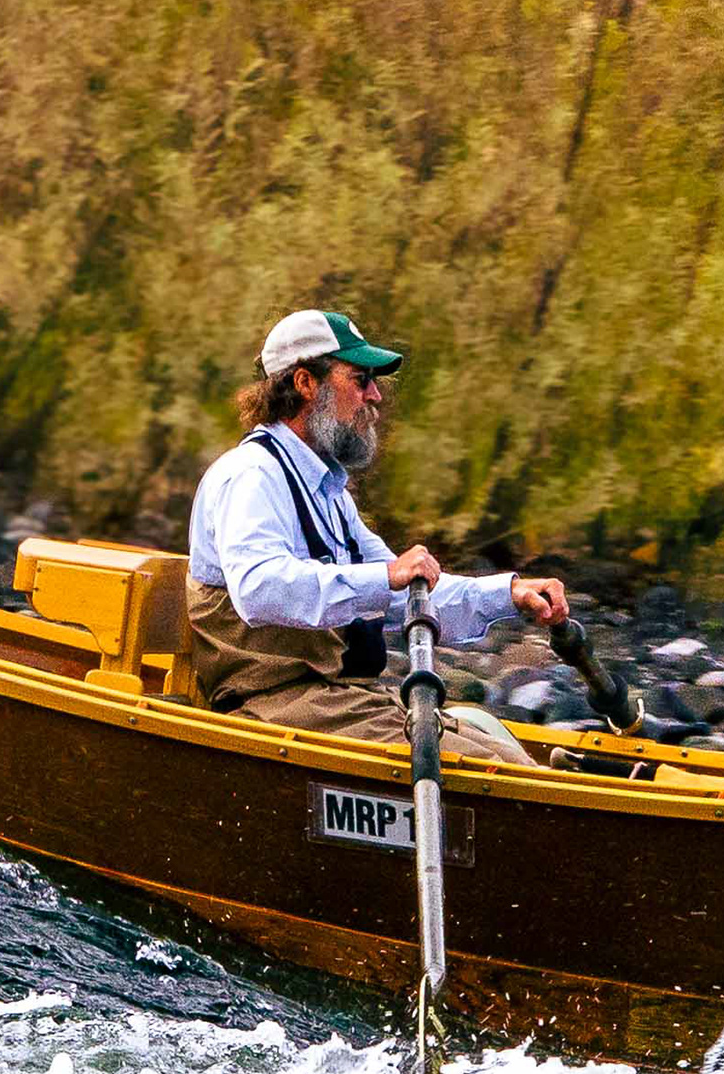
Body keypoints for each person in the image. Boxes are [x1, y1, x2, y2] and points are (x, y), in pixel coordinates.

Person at [184, 309, 565, 756]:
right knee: (485, 768)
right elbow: (259, 590)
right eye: (361, 378)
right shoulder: (251, 475)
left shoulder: (328, 493)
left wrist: (510, 594)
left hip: (335, 697)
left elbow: (410, 595)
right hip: (271, 705)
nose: (376, 396)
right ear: (306, 383)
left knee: (511, 758)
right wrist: (385, 576)